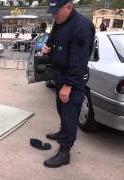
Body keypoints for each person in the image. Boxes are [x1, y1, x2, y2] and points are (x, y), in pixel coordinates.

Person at [41, 0, 95, 168]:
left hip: (72, 79)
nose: (54, 14)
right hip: (60, 75)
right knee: (61, 108)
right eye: (53, 11)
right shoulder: (60, 21)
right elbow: (54, 34)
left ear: (69, 7)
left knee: (70, 114)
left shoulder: (82, 26)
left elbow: (79, 60)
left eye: (57, 11)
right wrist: (48, 46)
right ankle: (63, 132)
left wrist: (69, 85)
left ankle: (65, 152)